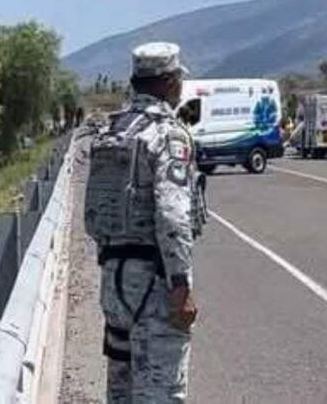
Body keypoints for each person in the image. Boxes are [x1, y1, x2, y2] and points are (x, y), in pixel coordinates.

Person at [85, 42, 199, 402]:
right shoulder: (168, 135)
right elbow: (172, 214)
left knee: (122, 389)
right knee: (161, 390)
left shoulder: (112, 132)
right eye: (178, 81)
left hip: (114, 281)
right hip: (152, 284)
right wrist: (180, 285)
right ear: (168, 83)